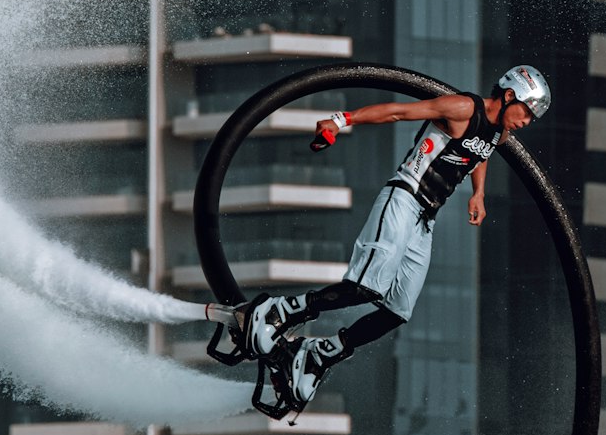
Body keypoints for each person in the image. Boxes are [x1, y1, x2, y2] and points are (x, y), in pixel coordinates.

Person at [207, 65, 552, 413]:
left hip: (425, 218)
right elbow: (398, 112)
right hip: (404, 197)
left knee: (398, 309)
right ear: (509, 96)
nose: (527, 122)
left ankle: (321, 353)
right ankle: (281, 311)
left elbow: (480, 153)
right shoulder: (464, 108)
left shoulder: (501, 135)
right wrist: (342, 121)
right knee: (367, 286)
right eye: (526, 112)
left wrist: (478, 194)